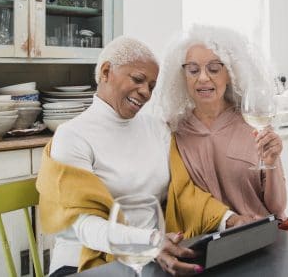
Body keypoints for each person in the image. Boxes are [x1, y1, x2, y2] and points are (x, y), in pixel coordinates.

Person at [36, 36, 249, 277]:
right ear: (106, 71)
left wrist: (229, 219)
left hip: (151, 258)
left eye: (151, 86)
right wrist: (147, 242)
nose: (145, 92)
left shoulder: (156, 128)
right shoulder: (71, 136)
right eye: (138, 79)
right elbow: (86, 225)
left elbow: (183, 192)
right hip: (85, 264)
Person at [156, 25, 288, 233]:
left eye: (214, 69)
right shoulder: (175, 132)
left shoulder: (254, 125)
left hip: (258, 238)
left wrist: (273, 162)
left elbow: (277, 207)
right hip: (203, 245)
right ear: (183, 75)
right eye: (193, 70)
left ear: (231, 74)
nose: (203, 78)